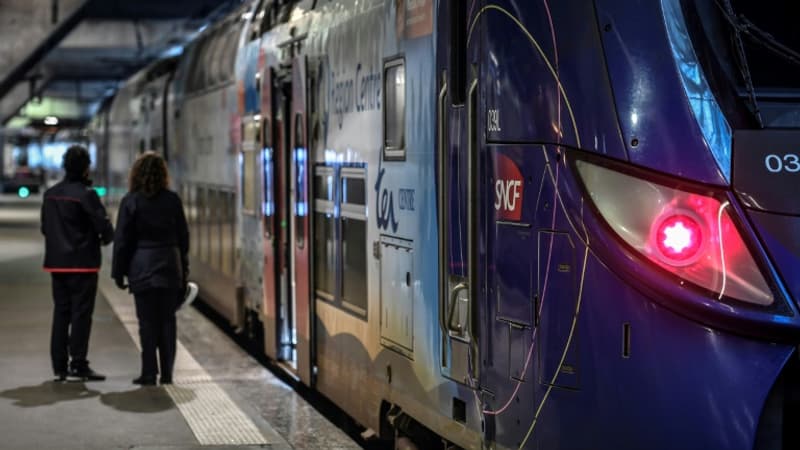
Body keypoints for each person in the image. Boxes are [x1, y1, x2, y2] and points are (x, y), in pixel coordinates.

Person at [111, 151, 189, 386]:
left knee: (146, 322)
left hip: (141, 266)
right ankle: (167, 374)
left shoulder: (131, 201)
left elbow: (122, 241)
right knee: (167, 320)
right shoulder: (172, 200)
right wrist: (183, 269)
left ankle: (148, 373)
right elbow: (184, 238)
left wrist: (118, 272)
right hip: (169, 265)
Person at [41, 145, 114, 382]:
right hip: (83, 264)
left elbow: (45, 228)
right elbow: (103, 228)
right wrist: (104, 236)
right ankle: (79, 363)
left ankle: (59, 366)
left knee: (61, 313)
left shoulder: (50, 194)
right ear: (85, 168)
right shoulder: (86, 195)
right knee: (81, 314)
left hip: (57, 264)